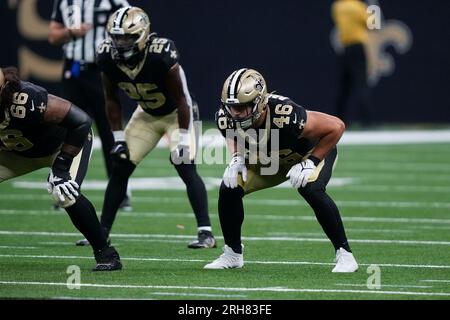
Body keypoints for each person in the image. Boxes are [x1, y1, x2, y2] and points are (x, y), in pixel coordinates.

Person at [76, 6, 216, 249]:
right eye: (116, 37)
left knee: (185, 166)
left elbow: (183, 99)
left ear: (142, 35)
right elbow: (111, 98)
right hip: (146, 115)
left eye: (128, 37)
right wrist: (118, 138)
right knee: (120, 167)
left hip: (177, 115)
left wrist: (183, 139)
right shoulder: (107, 56)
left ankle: (206, 233)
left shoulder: (160, 54)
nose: (121, 43)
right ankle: (101, 231)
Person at [204, 68, 358, 272]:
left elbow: (336, 126)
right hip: (271, 161)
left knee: (310, 187)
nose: (236, 113)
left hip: (308, 154)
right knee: (230, 187)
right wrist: (236, 158)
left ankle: (345, 255)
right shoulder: (226, 117)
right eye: (231, 107)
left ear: (260, 102)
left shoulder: (286, 115)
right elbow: (232, 133)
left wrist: (311, 161)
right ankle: (233, 254)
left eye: (242, 107)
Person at [0, 66, 121, 271]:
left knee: (64, 193)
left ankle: (106, 254)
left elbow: (81, 122)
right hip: (19, 151)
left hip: (64, 145)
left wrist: (63, 165)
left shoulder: (27, 99)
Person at [48, 0, 132, 210]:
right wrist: (71, 32)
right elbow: (53, 35)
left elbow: (133, 25)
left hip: (101, 70)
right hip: (73, 70)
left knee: (110, 131)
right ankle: (63, 185)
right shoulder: (64, 1)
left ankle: (120, 191)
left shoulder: (113, 1)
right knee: (68, 130)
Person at [332, 0, 372, 126]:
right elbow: (372, 24)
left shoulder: (337, 6)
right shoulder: (358, 6)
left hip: (345, 48)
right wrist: (372, 7)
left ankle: (340, 119)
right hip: (358, 47)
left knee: (344, 87)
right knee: (361, 84)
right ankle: (366, 121)